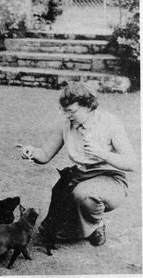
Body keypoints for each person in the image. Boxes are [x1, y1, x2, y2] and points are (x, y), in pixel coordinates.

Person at [21, 82, 136, 246]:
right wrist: (31, 151)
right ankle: (80, 224)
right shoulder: (67, 124)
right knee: (62, 203)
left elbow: (132, 163)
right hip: (80, 176)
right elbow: (45, 155)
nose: (67, 115)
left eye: (71, 111)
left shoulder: (110, 123)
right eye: (64, 110)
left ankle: (97, 225)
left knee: (83, 195)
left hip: (111, 179)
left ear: (89, 106)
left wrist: (102, 153)